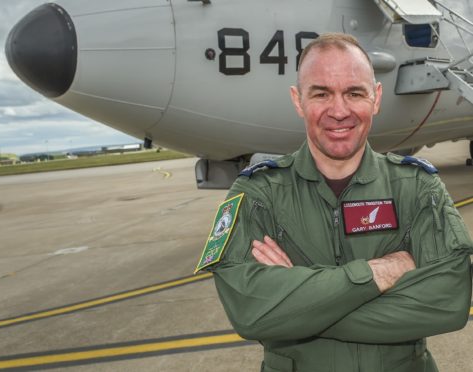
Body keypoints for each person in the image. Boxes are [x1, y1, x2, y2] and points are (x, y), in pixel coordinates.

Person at [195, 33, 473, 372]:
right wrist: (375, 274)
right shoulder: (257, 194)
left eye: (354, 93)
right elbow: (252, 313)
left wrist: (298, 307)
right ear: (298, 100)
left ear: (375, 98)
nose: (339, 111)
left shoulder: (417, 187)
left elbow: (448, 302)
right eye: (321, 93)